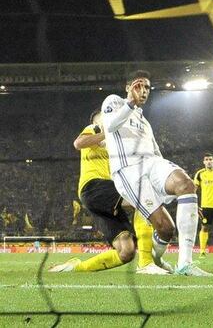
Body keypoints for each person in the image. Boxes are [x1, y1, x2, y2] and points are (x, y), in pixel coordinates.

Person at [103, 70, 211, 276]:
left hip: (152, 163)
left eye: (146, 88)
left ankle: (185, 264)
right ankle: (155, 260)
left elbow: (156, 152)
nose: (143, 91)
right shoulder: (114, 102)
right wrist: (130, 103)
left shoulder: (145, 122)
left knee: (187, 185)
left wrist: (188, 200)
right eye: (138, 86)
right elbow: (110, 126)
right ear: (128, 88)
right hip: (129, 171)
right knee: (165, 229)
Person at [49, 109, 169, 274]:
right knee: (143, 198)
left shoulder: (116, 145)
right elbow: (78, 143)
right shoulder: (94, 129)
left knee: (126, 251)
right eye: (103, 118)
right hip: (94, 186)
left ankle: (77, 267)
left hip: (104, 197)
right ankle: (147, 262)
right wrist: (105, 134)